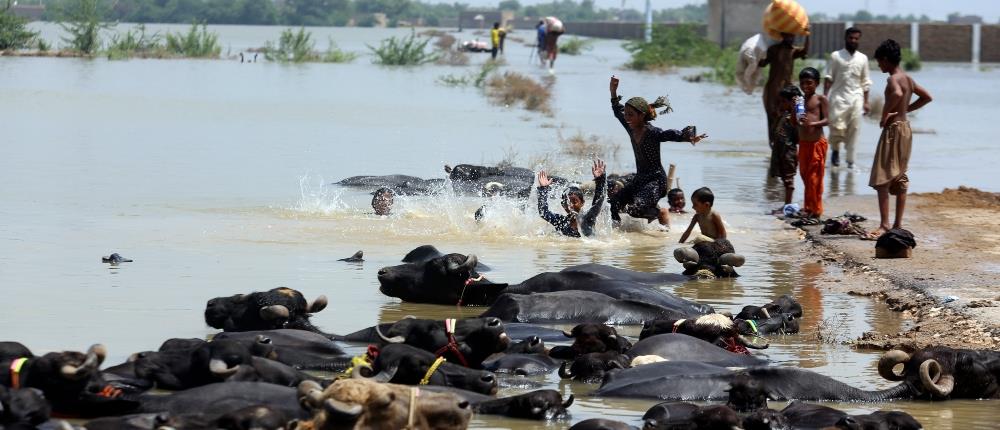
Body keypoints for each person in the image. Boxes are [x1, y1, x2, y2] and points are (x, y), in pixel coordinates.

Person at [608, 75, 706, 229]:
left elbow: (670, 134)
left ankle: (660, 213)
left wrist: (688, 137)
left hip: (656, 182)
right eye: (626, 114)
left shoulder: (652, 132)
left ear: (641, 115)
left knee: (635, 209)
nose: (626, 117)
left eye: (630, 115)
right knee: (613, 204)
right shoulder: (630, 127)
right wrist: (613, 91)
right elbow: (617, 110)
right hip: (639, 179)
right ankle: (617, 235)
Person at [863, 39, 932, 240]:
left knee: (882, 177)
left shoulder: (893, 79)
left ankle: (885, 225)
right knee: (900, 176)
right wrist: (905, 110)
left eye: (879, 61)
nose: (878, 65)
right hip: (906, 129)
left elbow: (897, 93)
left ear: (885, 59)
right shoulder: (908, 78)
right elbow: (927, 97)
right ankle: (897, 224)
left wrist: (886, 114)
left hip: (893, 129)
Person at [824, 27, 872, 168]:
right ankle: (835, 152)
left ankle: (851, 161)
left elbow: (865, 81)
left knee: (855, 128)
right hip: (838, 97)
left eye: (856, 38)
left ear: (859, 40)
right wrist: (824, 97)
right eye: (851, 38)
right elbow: (828, 77)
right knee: (836, 127)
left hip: (857, 98)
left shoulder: (863, 58)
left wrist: (867, 102)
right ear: (845, 38)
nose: (853, 41)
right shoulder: (835, 56)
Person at [675, 187, 744, 275]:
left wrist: (720, 246)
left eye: (695, 204)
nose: (692, 207)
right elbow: (688, 231)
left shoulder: (714, 215)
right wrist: (680, 243)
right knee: (692, 243)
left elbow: (723, 233)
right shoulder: (697, 216)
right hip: (705, 243)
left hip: (715, 243)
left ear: (706, 205)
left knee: (698, 238)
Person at [759, 32, 809, 144]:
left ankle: (790, 140)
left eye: (792, 36)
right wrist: (757, 61)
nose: (791, 38)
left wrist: (807, 35)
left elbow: (805, 51)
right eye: (788, 36)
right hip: (773, 88)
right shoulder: (773, 49)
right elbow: (764, 62)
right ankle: (773, 142)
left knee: (792, 113)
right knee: (772, 114)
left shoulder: (793, 51)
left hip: (787, 87)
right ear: (783, 36)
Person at [536, 158, 606, 238]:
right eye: (567, 202)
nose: (571, 205)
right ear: (563, 205)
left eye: (574, 201)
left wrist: (601, 179)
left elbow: (598, 201)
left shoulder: (588, 218)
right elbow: (543, 213)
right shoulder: (560, 221)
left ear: (582, 202)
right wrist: (543, 189)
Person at [797, 67, 829, 218]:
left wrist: (813, 124)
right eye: (802, 83)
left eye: (809, 83)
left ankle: (815, 209)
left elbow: (828, 120)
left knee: (814, 178)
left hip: (817, 143)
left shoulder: (821, 99)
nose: (805, 86)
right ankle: (808, 207)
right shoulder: (799, 100)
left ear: (816, 83)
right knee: (804, 176)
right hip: (803, 144)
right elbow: (793, 121)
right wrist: (794, 112)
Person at [769, 85, 803, 213]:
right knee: (784, 177)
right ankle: (785, 204)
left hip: (788, 151)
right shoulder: (784, 115)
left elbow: (797, 137)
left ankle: (787, 204)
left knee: (789, 179)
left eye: (784, 101)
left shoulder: (794, 118)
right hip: (779, 150)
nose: (781, 104)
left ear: (791, 102)